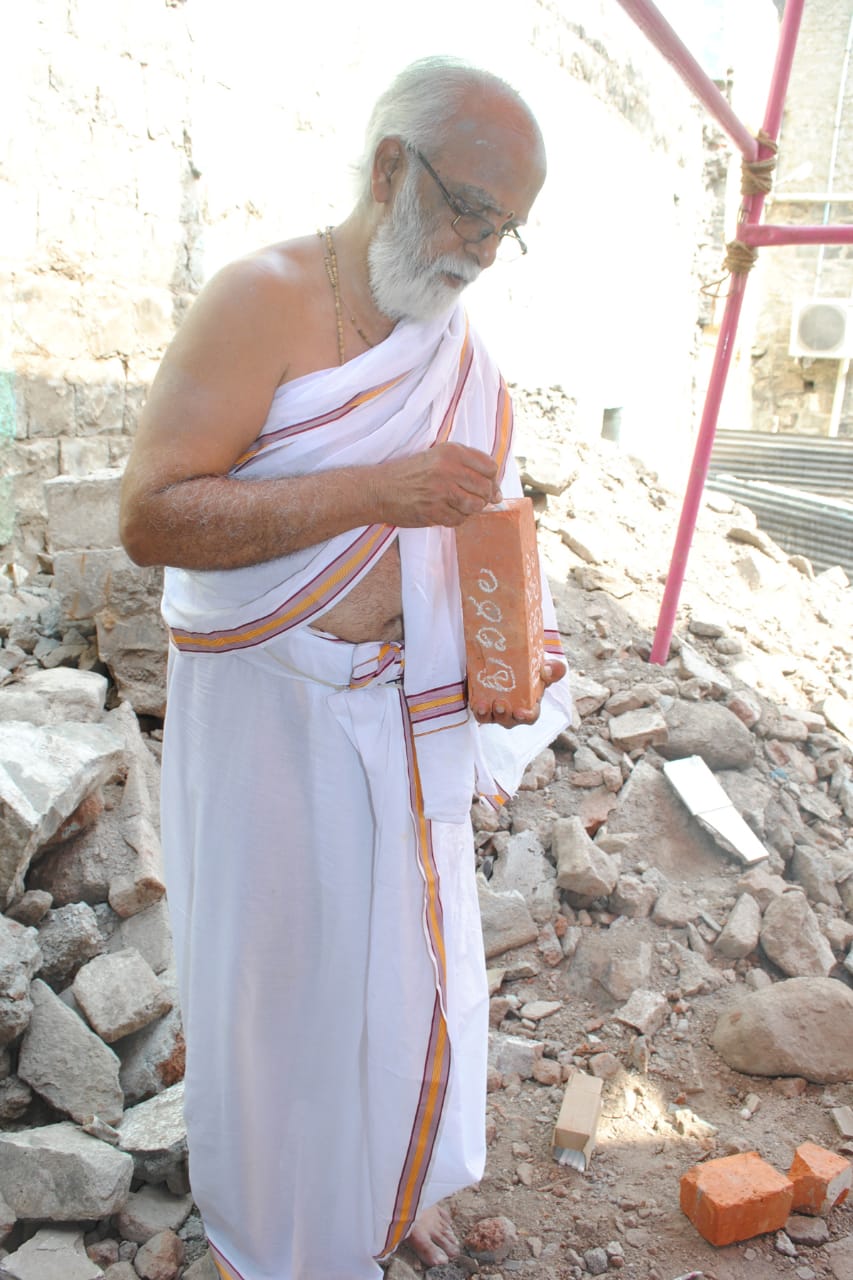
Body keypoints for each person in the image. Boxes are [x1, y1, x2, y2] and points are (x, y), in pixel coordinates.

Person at [119, 55, 571, 1280]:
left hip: (403, 728)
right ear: (388, 168)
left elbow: (486, 547)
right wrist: (378, 491)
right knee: (279, 998)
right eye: (469, 210)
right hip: (269, 726)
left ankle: (386, 1187)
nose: (481, 250)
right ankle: (273, 1236)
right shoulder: (260, 300)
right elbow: (153, 516)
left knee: (400, 975)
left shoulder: (465, 361)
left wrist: (511, 656)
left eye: (505, 229)